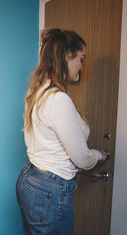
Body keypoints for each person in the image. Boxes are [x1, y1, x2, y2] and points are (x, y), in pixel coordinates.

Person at [15, 28, 107, 234]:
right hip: (49, 190)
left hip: (30, 178)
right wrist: (98, 155)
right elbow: (82, 159)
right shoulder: (58, 99)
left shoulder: (39, 90)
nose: (82, 66)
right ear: (67, 56)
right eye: (81, 59)